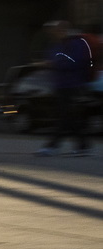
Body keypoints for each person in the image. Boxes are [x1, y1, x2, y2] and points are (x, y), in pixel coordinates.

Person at [37, 19, 93, 157]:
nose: (53, 34)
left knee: (64, 116)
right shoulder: (57, 45)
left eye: (55, 31)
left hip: (72, 85)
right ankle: (82, 145)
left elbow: (75, 62)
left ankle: (53, 146)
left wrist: (53, 64)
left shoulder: (76, 44)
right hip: (61, 85)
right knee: (69, 117)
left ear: (63, 30)